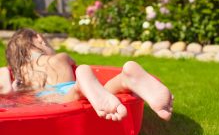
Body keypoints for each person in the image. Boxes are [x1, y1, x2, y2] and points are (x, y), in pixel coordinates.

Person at [5, 28, 173, 121]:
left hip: (52, 98)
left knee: (78, 94)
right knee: (105, 90)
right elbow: (72, 62)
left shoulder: (21, 74)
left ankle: (82, 86)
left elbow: (17, 96)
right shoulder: (60, 58)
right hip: (70, 86)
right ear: (40, 40)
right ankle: (126, 78)